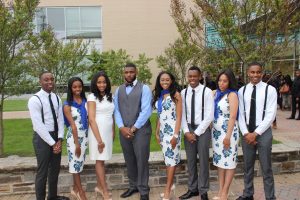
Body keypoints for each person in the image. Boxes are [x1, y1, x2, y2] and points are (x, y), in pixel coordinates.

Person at [237, 62, 277, 200]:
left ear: (262, 73)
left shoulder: (270, 90)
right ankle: (248, 194)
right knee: (248, 167)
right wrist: (246, 132)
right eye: (252, 72)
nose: (255, 75)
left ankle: (270, 197)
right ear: (248, 73)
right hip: (247, 132)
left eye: (258, 72)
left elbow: (271, 114)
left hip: (263, 132)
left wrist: (256, 133)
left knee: (266, 168)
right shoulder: (241, 91)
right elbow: (240, 114)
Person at [28, 72, 69, 200]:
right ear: (40, 82)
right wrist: (53, 143)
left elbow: (60, 119)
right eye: (46, 80)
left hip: (56, 136)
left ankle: (52, 196)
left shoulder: (56, 98)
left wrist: (60, 138)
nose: (50, 82)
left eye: (52, 79)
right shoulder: (35, 99)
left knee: (55, 170)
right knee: (43, 172)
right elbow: (38, 125)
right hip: (42, 138)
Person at [114, 63, 152, 200]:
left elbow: (146, 110)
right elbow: (116, 110)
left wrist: (134, 128)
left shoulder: (145, 88)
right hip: (124, 130)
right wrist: (121, 127)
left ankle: (143, 190)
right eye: (126, 72)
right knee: (129, 159)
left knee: (141, 160)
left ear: (136, 72)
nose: (129, 74)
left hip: (141, 130)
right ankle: (133, 186)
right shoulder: (119, 90)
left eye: (131, 72)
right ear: (124, 74)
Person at [179, 66, 214, 200]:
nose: (192, 79)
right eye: (190, 76)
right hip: (188, 129)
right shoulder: (183, 93)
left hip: (203, 130)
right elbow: (181, 114)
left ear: (200, 77)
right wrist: (187, 132)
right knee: (191, 161)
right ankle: (192, 189)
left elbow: (210, 115)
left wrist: (197, 133)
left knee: (204, 161)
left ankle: (203, 190)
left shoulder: (207, 92)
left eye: (195, 76)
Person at [153, 71, 182, 200]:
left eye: (167, 80)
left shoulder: (176, 95)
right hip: (164, 133)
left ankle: (167, 192)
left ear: (171, 81)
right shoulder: (160, 95)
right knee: (168, 161)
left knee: (171, 162)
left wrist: (175, 135)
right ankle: (170, 187)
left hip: (172, 133)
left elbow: (180, 116)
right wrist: (157, 131)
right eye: (162, 80)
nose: (164, 82)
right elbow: (160, 114)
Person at [212, 69, 239, 200]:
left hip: (228, 132)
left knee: (229, 162)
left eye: (225, 81)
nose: (221, 83)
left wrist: (228, 136)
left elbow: (233, 116)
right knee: (220, 162)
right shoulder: (216, 94)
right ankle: (221, 191)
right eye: (220, 80)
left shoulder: (232, 95)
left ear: (230, 82)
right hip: (216, 133)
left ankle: (225, 192)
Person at [87, 71, 115, 200]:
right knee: (99, 161)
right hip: (97, 133)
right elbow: (91, 119)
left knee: (102, 160)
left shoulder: (110, 96)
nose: (102, 84)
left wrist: (113, 131)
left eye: (104, 82)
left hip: (107, 132)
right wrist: (99, 141)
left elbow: (112, 115)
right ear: (94, 83)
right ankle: (104, 191)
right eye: (99, 82)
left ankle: (98, 187)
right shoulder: (92, 97)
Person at [63, 77, 88, 200]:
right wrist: (77, 144)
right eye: (74, 87)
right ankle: (81, 192)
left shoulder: (84, 100)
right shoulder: (67, 105)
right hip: (74, 138)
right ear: (70, 88)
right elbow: (73, 126)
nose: (77, 89)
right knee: (75, 165)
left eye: (79, 86)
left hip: (84, 136)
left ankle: (74, 189)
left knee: (79, 164)